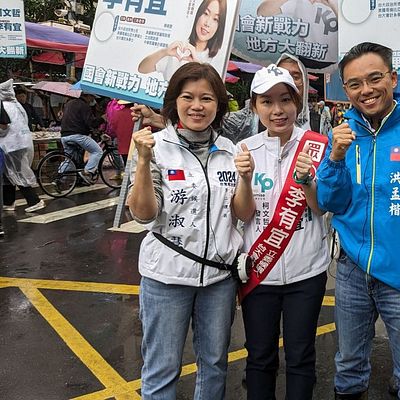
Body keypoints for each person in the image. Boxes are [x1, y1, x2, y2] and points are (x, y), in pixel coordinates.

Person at [128, 62, 243, 399]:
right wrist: (143, 161)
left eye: (206, 98)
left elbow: (239, 211)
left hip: (218, 280)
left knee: (215, 364)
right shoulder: (154, 146)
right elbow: (144, 214)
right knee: (162, 369)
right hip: (166, 279)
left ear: (218, 105)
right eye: (187, 97)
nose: (197, 106)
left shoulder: (230, 150)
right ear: (174, 102)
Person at [232, 65, 330, 399]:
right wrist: (245, 180)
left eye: (285, 100)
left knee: (301, 357)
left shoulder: (317, 146)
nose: (277, 110)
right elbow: (243, 214)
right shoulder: (244, 150)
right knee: (260, 357)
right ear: (254, 106)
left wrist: (306, 181)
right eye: (267, 101)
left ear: (297, 103)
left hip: (307, 273)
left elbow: (320, 208)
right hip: (260, 273)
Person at [317, 41, 400, 399]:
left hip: (397, 269)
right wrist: (336, 157)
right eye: (355, 84)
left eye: (374, 78)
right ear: (346, 89)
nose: (366, 90)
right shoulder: (342, 134)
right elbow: (329, 201)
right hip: (352, 268)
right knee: (348, 364)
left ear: (392, 78)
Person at [133, 52, 312, 143]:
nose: (277, 110)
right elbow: (208, 122)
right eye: (266, 101)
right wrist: (156, 119)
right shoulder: (245, 126)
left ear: (304, 80)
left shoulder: (320, 120)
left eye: (296, 76)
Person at [138, 0, 227, 81]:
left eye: (215, 19)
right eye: (206, 13)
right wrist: (164, 52)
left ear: (220, 26)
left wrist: (198, 65)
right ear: (198, 14)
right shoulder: (178, 49)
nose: (207, 23)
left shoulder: (217, 59)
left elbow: (214, 89)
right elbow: (142, 68)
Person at [0, 79, 45, 213]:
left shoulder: (3, 106)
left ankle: (34, 201)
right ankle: (8, 202)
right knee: (8, 173)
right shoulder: (17, 105)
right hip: (22, 142)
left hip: (11, 144)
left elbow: (4, 127)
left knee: (17, 173)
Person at [257, 0, 338, 68]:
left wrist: (332, 4)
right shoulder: (298, 2)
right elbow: (262, 12)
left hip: (336, 61)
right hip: (304, 59)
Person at [60, 92, 105, 184]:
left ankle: (59, 178)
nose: (92, 99)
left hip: (64, 136)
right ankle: (87, 172)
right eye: (92, 97)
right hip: (77, 136)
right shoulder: (84, 105)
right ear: (87, 96)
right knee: (97, 151)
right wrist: (102, 119)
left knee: (69, 160)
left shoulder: (69, 103)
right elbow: (91, 123)